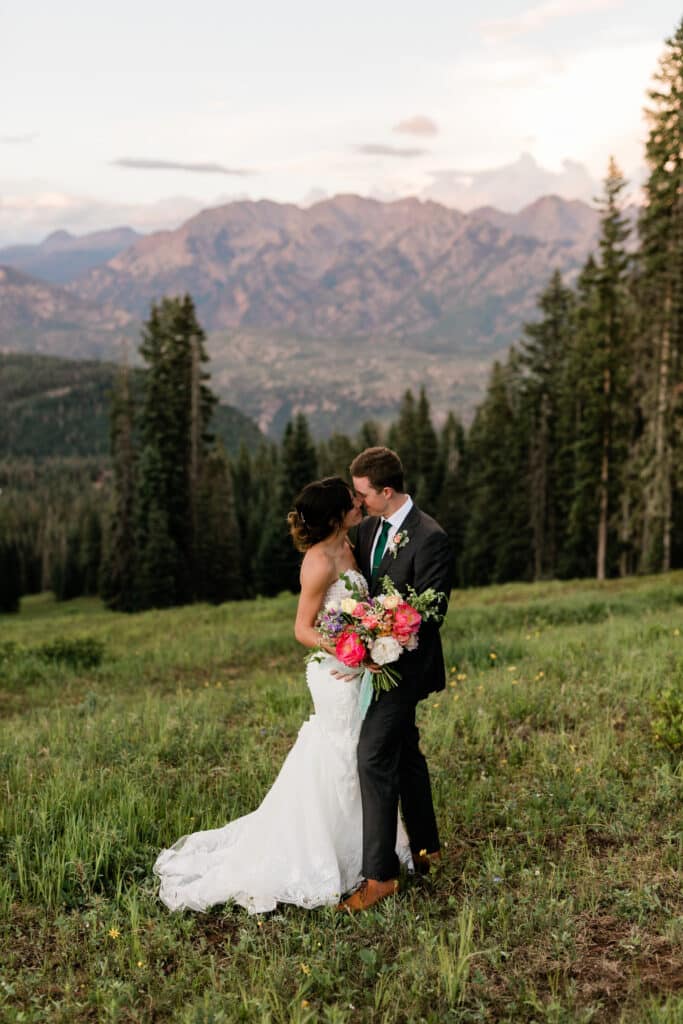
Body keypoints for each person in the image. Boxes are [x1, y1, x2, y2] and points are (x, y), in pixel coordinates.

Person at [154, 475, 411, 914]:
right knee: (343, 755)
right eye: (351, 502)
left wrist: (373, 637)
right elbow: (302, 629)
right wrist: (350, 650)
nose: (358, 505)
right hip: (335, 675)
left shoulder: (353, 544)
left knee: (361, 756)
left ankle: (371, 852)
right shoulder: (317, 562)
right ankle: (327, 857)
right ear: (334, 517)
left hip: (359, 669)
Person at [339, 446, 454, 912]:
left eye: (364, 494)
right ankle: (427, 848)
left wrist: (385, 639)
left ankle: (380, 876)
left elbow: (434, 612)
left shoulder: (430, 538)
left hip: (407, 667)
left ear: (387, 492)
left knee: (372, 757)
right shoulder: (367, 530)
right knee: (404, 752)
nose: (359, 501)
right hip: (373, 665)